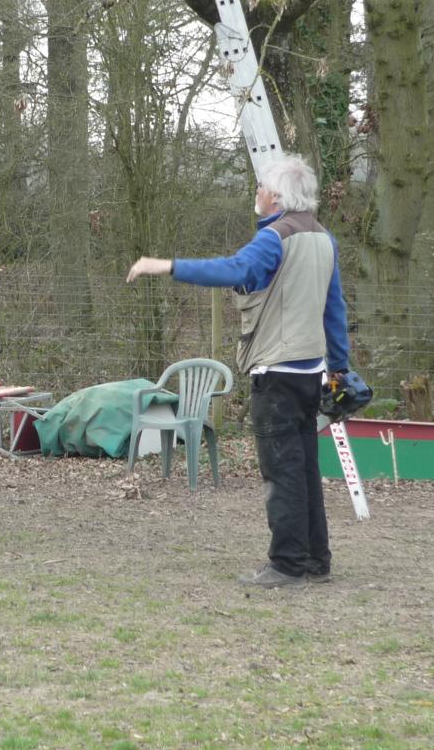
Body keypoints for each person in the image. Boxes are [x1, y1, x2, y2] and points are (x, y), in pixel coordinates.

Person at [126, 154, 350, 588]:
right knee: (304, 470)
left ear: (278, 197)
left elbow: (233, 269)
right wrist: (339, 369)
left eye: (261, 187)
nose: (257, 193)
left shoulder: (275, 238)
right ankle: (316, 562)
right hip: (312, 372)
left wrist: (166, 266)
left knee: (282, 472)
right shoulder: (323, 238)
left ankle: (286, 564)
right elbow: (334, 308)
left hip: (277, 372)